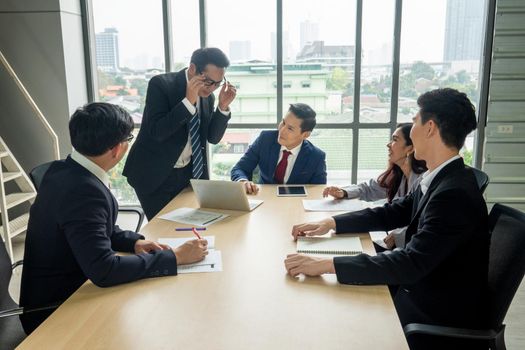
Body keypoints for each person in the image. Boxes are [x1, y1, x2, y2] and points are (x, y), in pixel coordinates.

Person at [284, 88, 489, 350]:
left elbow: (409, 262)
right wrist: (331, 223)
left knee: (328, 322)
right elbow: (392, 212)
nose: (411, 129)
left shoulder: (454, 193)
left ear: (429, 128)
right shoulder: (443, 178)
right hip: (423, 291)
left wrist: (324, 265)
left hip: (432, 312)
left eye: (414, 121)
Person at [19, 103, 208, 334]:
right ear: (117, 149)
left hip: (66, 288)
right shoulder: (83, 191)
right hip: (57, 311)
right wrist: (175, 257)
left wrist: (134, 242)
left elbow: (98, 228)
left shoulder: (63, 169)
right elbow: (104, 270)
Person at [123, 47, 237, 220]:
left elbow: (212, 138)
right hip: (155, 174)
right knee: (163, 231)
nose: (212, 88)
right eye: (208, 81)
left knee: (189, 229)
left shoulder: (208, 97)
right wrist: (188, 102)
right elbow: (157, 131)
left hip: (188, 175)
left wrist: (222, 107)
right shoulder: (161, 85)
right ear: (192, 69)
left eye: (218, 83)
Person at [323, 123, 427, 249]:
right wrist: (343, 192)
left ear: (410, 148)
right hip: (392, 243)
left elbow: (421, 223)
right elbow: (369, 189)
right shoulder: (397, 174)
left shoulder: (423, 181)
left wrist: (397, 235)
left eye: (394, 140)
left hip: (407, 249)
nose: (388, 145)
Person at [230, 103, 327, 194]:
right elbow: (239, 168)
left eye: (290, 128)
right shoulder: (265, 139)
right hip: (264, 200)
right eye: (283, 122)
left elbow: (319, 191)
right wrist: (243, 181)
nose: (282, 130)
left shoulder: (316, 157)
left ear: (305, 134)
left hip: (295, 206)